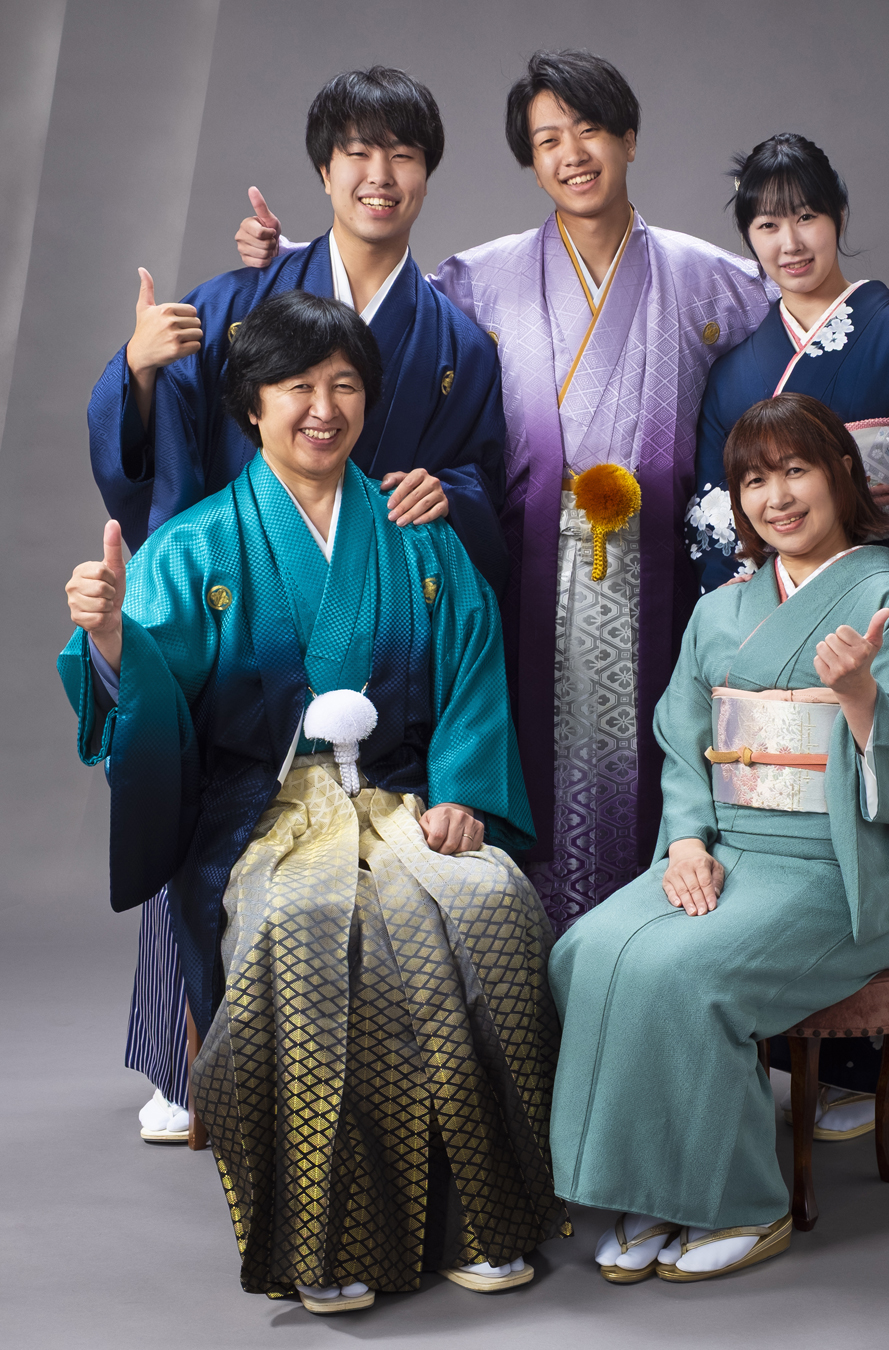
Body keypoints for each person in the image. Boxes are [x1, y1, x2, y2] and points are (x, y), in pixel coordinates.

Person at [236, 52, 889, 936]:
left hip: (666, 582)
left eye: (589, 131)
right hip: (525, 577)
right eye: (548, 140)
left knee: (666, 772)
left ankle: (651, 964)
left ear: (629, 138)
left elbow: (807, 344)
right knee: (531, 791)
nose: (572, 154)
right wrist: (289, 268)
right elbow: (365, 324)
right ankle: (536, 985)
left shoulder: (710, 277)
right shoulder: (478, 277)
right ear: (530, 159)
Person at [62, 293, 568, 1311]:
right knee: (302, 926)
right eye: (297, 386)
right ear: (253, 406)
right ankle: (326, 1235)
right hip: (261, 812)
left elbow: (472, 666)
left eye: (344, 386)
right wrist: (112, 638)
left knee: (493, 907)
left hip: (406, 799)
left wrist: (464, 791)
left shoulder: (418, 535)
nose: (323, 409)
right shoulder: (197, 546)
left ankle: (484, 1212)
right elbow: (151, 698)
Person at [92, 65, 511, 1142]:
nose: (380, 175)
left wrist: (448, 496)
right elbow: (172, 442)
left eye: (403, 154)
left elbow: (482, 477)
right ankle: (192, 1058)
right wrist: (137, 374)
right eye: (357, 153)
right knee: (203, 814)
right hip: (244, 609)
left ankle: (395, 1086)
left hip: (387, 616)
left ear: (428, 174)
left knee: (429, 892)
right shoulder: (239, 301)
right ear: (323, 169)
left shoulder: (457, 339)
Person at [547, 393, 889, 1284]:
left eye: (795, 470)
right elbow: (684, 743)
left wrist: (861, 696)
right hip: (725, 850)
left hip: (842, 862)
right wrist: (686, 843)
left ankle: (739, 1201)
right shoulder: (721, 611)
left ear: (841, 476)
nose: (775, 497)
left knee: (686, 974)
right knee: (584, 949)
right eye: (753, 480)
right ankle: (650, 1186)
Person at [684, 133, 889, 1112]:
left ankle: (881, 1063)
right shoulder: (737, 367)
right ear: (748, 238)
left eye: (806, 216)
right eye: (767, 224)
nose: (789, 242)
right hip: (779, 623)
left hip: (877, 616)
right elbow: (718, 513)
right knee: (782, 831)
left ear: (838, 218)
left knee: (883, 815)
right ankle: (788, 1049)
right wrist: (741, 629)